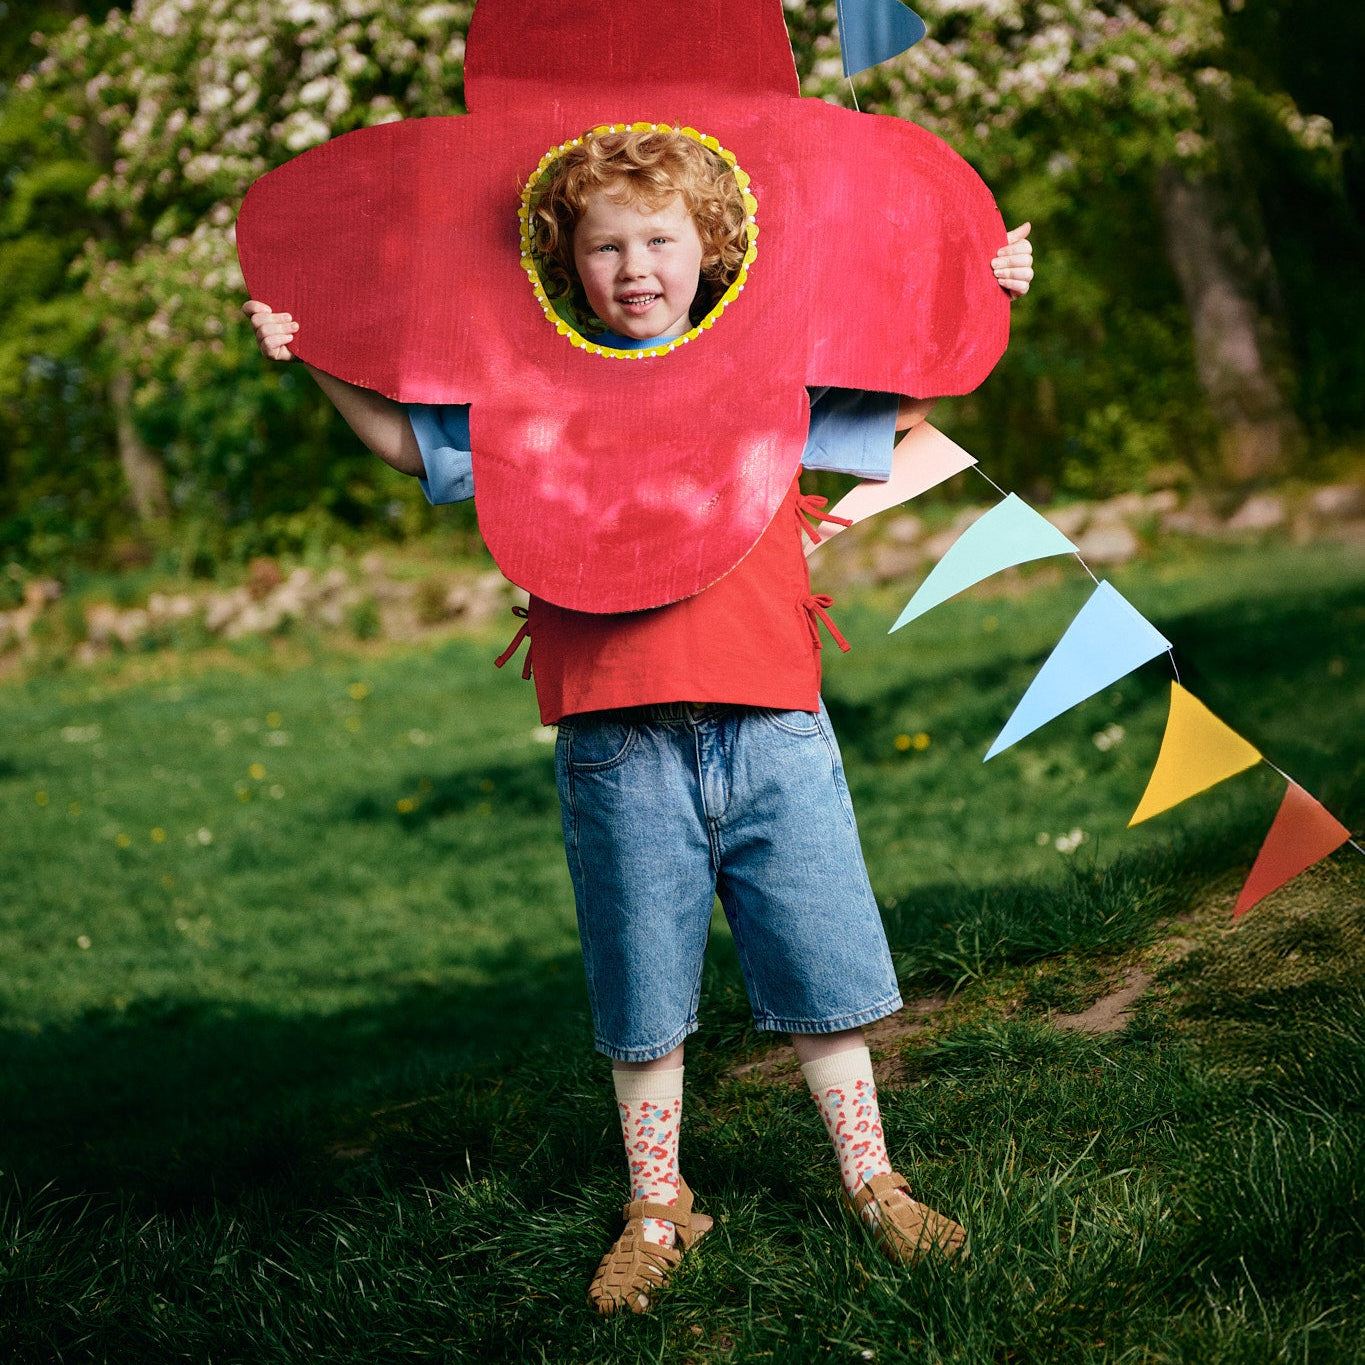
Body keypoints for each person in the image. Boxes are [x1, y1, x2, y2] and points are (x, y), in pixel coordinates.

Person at [244, 128, 1033, 1315]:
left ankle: (874, 1180)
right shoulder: (530, 387)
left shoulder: (767, 369)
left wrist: (989, 287)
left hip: (770, 719)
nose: (635, 268)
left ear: (709, 248)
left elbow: (914, 390)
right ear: (566, 260)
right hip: (615, 733)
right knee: (642, 991)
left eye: (659, 240)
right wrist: (309, 355)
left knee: (824, 966)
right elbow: (413, 443)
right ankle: (659, 1206)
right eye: (605, 247)